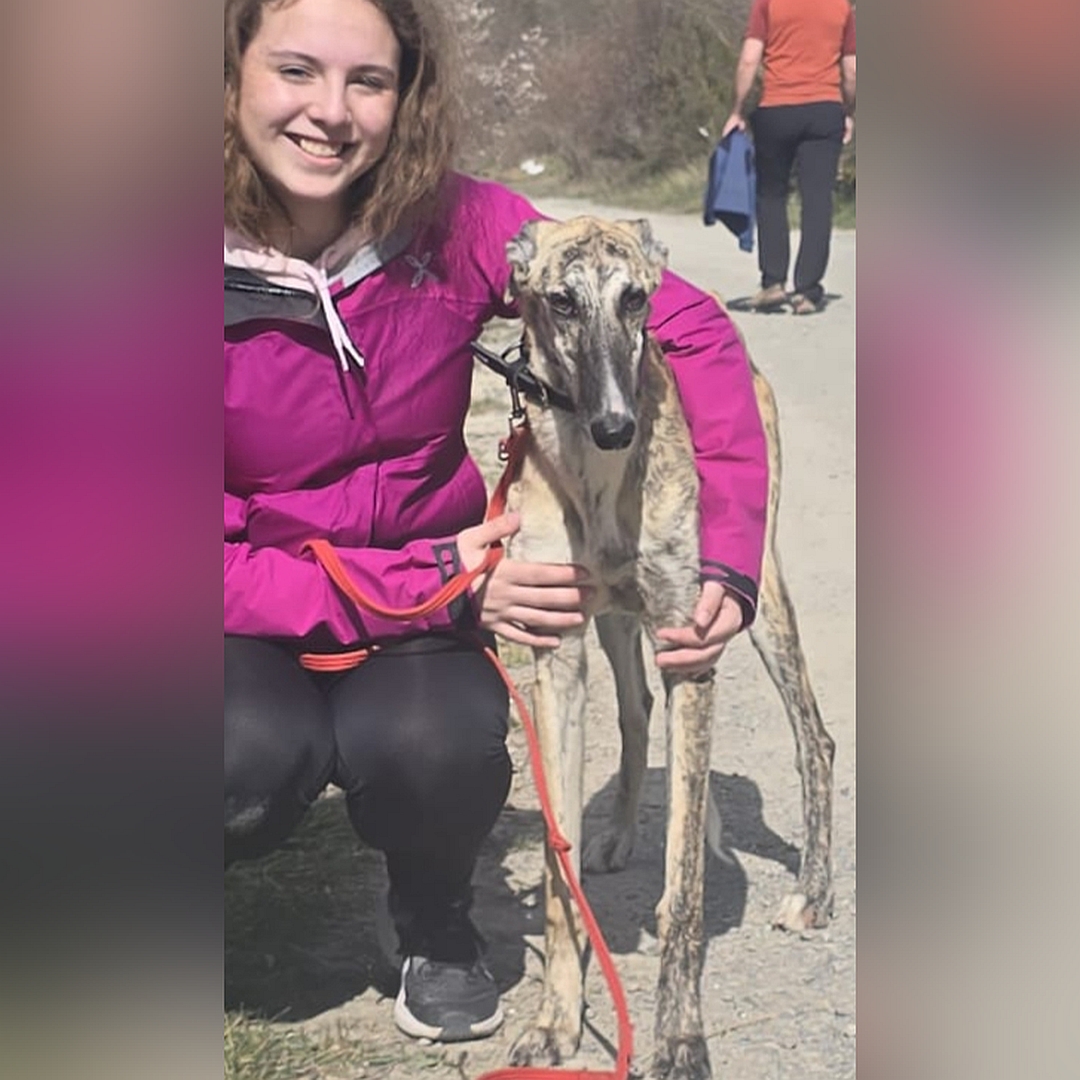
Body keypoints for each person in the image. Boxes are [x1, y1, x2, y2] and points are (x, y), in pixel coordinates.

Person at [224, 0, 769, 1046]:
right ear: (230, 73)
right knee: (232, 756)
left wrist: (731, 559)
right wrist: (430, 580)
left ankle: (430, 915)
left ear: (406, 96)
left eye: (368, 80)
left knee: (442, 745)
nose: (330, 111)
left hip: (420, 610)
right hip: (257, 610)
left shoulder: (459, 224)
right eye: (294, 70)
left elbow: (693, 328)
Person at [721, 0, 856, 315]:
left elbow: (749, 60)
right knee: (817, 198)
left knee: (771, 194)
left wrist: (737, 110)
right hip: (824, 110)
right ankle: (807, 291)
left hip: (776, 108)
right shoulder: (841, 6)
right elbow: (852, 70)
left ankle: (773, 283)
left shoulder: (768, 3)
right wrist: (848, 111)